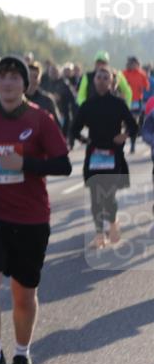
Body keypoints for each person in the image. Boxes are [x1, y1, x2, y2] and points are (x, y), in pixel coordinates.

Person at [0, 56, 71, 364]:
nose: (8, 83)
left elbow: (63, 165)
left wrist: (25, 163)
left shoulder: (40, 119)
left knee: (23, 296)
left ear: (24, 85)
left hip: (30, 218)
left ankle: (22, 355)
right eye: (3, 78)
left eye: (15, 78)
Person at [71, 66, 139, 248]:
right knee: (95, 196)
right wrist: (84, 139)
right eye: (99, 77)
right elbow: (74, 128)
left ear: (112, 82)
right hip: (94, 154)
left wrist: (123, 136)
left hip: (113, 154)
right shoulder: (88, 105)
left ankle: (113, 221)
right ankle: (99, 234)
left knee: (108, 196)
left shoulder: (118, 104)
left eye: (105, 78)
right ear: (94, 81)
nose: (101, 80)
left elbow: (133, 126)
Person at [122, 56, 149, 153]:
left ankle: (132, 144)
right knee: (126, 123)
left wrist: (143, 87)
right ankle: (124, 140)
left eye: (135, 64)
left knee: (134, 122)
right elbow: (119, 85)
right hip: (126, 101)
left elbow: (147, 86)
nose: (134, 65)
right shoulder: (124, 73)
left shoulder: (142, 74)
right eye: (132, 63)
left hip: (137, 101)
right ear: (129, 64)